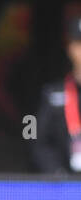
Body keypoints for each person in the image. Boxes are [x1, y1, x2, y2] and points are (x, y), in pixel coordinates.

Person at [31, 17, 81, 174]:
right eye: (80, 44)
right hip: (65, 185)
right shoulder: (52, 94)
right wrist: (57, 173)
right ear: (71, 48)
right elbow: (35, 138)